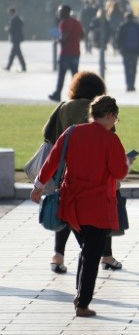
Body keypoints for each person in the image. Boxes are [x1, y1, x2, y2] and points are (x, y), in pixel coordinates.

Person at [31, 95, 129, 318]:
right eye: (116, 118)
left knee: (87, 251)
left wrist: (38, 185)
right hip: (98, 206)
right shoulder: (111, 140)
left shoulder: (72, 132)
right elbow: (119, 172)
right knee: (92, 255)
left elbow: (52, 160)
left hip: (72, 204)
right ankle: (82, 304)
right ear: (110, 115)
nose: (115, 122)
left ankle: (80, 297)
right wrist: (126, 163)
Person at [42, 71, 123, 274]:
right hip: (96, 173)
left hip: (66, 170)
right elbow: (107, 136)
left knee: (66, 210)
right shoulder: (98, 109)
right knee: (101, 215)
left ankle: (57, 255)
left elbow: (47, 133)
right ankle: (106, 255)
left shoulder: (64, 107)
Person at [48, 5, 84, 102]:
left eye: (60, 11)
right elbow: (82, 35)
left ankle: (57, 94)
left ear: (66, 12)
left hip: (66, 52)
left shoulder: (63, 23)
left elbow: (64, 38)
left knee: (62, 75)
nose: (59, 13)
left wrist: (57, 40)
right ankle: (78, 95)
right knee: (75, 75)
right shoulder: (77, 22)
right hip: (76, 51)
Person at [115, 12, 139, 92]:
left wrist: (118, 47)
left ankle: (128, 85)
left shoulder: (123, 25)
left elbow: (118, 38)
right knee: (134, 68)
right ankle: (133, 85)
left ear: (125, 17)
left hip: (125, 50)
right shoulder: (137, 26)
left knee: (127, 68)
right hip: (135, 50)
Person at [4, 6, 25, 72]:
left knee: (18, 53)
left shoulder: (14, 19)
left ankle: (23, 67)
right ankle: (9, 66)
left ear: (12, 12)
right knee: (13, 54)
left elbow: (13, 29)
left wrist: (7, 29)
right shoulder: (18, 19)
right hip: (17, 38)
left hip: (16, 39)